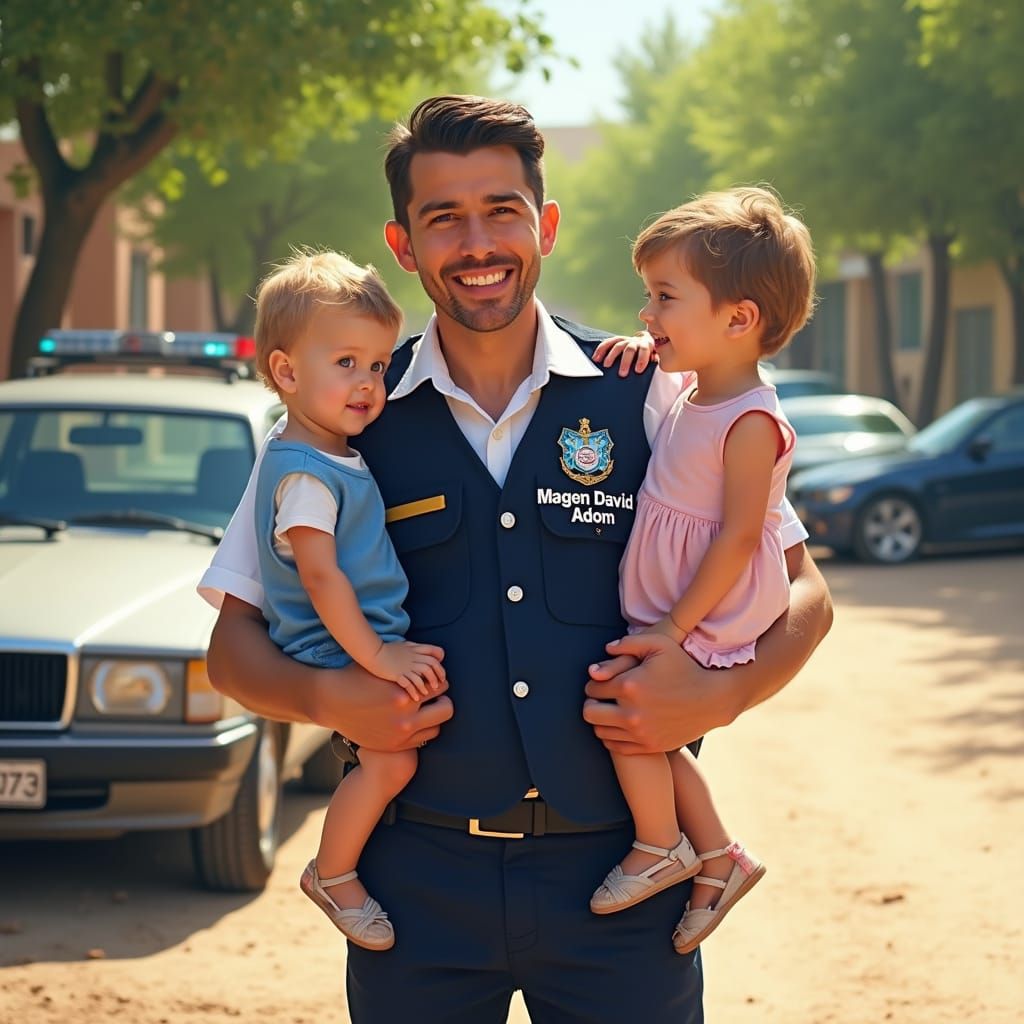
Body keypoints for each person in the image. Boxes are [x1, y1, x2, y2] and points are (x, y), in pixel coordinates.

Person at [199, 95, 833, 1024]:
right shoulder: (338, 417)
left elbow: (805, 591)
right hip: (415, 889)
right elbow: (231, 651)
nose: (477, 242)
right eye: (442, 218)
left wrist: (721, 694)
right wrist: (332, 699)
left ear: (547, 225)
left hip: (623, 878)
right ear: (403, 244)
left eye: (502, 210)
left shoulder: (653, 395)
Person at [588, 188, 814, 957]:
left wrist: (674, 627)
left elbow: (742, 535)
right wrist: (641, 349)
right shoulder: (692, 388)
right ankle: (718, 854)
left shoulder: (751, 420)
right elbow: (665, 380)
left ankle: (663, 846)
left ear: (738, 320)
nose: (647, 314)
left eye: (664, 298)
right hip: (672, 603)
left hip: (707, 607)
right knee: (645, 729)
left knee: (631, 717)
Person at [249, 250, 446, 951]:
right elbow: (321, 578)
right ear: (286, 372)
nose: (368, 383)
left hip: (355, 638)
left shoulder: (332, 453)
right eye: (346, 363)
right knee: (392, 761)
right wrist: (379, 657)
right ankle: (332, 874)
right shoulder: (304, 474)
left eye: (379, 365)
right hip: (331, 646)